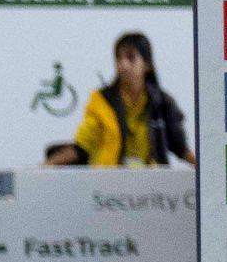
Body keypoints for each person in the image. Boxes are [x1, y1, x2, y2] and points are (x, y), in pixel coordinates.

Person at [67, 31, 185, 165]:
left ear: (146, 63)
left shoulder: (162, 103)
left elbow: (181, 148)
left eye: (131, 58)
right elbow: (81, 146)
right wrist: (49, 166)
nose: (123, 65)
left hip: (152, 176)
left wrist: (203, 169)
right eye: (119, 58)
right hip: (109, 176)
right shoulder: (102, 100)